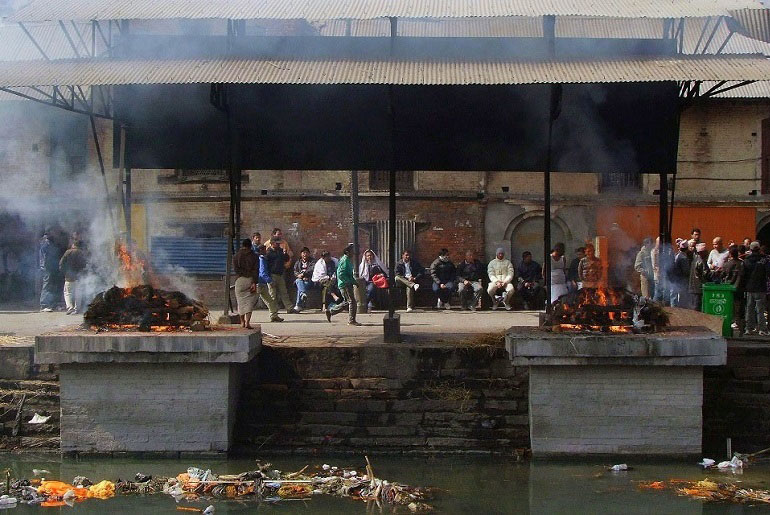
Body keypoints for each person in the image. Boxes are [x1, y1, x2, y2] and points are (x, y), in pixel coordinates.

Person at [234, 239, 282, 327]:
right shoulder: (256, 257)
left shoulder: (236, 256)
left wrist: (242, 274)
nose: (265, 251)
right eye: (264, 249)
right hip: (253, 281)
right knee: (249, 303)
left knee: (240, 302)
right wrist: (254, 282)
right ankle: (248, 322)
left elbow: (236, 270)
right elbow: (258, 271)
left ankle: (242, 322)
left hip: (240, 280)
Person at [326, 243, 361, 325]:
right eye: (352, 251)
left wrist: (354, 282)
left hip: (346, 283)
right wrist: (347, 282)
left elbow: (349, 274)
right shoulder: (345, 260)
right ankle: (351, 320)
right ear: (347, 252)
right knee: (352, 301)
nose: (353, 253)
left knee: (347, 302)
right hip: (345, 285)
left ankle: (331, 311)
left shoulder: (347, 260)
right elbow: (341, 274)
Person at [743, 241, 768, 335]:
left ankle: (748, 328)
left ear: (750, 249)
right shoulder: (763, 260)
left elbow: (743, 275)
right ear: (759, 248)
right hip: (761, 287)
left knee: (749, 309)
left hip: (749, 288)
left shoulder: (746, 260)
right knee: (760, 309)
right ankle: (762, 329)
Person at [58, 240, 87, 315]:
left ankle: (70, 307)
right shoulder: (81, 253)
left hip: (69, 276)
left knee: (68, 292)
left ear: (73, 245)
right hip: (79, 277)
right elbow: (85, 264)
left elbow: (61, 263)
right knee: (78, 293)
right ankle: (77, 309)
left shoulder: (68, 252)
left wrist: (63, 272)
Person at [266, 237, 293, 313]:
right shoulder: (268, 253)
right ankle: (273, 310)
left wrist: (285, 254)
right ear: (272, 243)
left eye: (279, 243)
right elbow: (266, 265)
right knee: (272, 294)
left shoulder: (280, 251)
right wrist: (268, 277)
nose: (278, 244)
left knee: (284, 292)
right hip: (272, 275)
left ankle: (289, 308)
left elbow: (286, 259)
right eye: (276, 243)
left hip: (280, 274)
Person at [39, 229, 63, 312]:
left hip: (53, 267)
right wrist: (44, 266)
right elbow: (44, 256)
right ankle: (44, 304)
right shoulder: (45, 242)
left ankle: (53, 304)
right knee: (47, 285)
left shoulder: (52, 242)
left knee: (53, 285)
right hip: (48, 268)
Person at [722, 247, 744, 334]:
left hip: (728, 288)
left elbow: (722, 275)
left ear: (730, 254)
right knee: (739, 307)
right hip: (740, 288)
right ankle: (738, 324)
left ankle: (730, 322)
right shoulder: (742, 263)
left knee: (729, 306)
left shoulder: (726, 264)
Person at [293, 247, 316, 313]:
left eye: (306, 253)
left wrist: (304, 274)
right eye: (303, 253)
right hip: (301, 280)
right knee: (298, 281)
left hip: (309, 280)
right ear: (301, 254)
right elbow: (295, 271)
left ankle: (298, 305)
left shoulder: (312, 261)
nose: (305, 254)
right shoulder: (298, 262)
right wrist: (298, 275)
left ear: (309, 254)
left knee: (299, 286)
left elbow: (312, 269)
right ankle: (303, 294)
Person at [689, 242, 711, 311]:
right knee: (697, 307)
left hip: (693, 287)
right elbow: (706, 274)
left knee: (693, 306)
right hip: (699, 288)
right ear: (702, 252)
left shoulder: (694, 260)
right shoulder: (702, 261)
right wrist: (715, 273)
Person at [670, 239, 691, 308]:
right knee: (681, 297)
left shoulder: (678, 255)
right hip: (681, 280)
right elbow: (686, 271)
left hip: (675, 279)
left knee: (674, 296)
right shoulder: (683, 257)